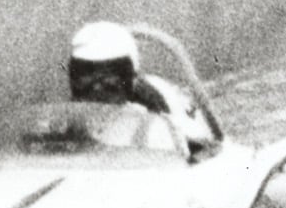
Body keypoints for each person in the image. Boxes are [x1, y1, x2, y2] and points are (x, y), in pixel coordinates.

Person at [66, 21, 215, 152]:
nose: (97, 87)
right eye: (86, 75)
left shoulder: (158, 112)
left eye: (109, 76)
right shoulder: (69, 120)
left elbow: (198, 146)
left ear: (130, 76)